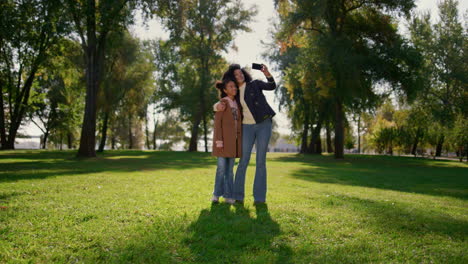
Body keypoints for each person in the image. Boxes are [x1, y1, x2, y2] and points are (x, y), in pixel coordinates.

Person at [214, 64, 276, 204]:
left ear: (244, 74)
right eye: (236, 75)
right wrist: (216, 106)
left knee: (261, 162)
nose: (239, 75)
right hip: (246, 128)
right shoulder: (234, 94)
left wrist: (267, 73)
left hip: (263, 125)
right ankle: (238, 196)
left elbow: (271, 86)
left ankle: (259, 198)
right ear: (233, 79)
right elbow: (223, 103)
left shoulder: (255, 84)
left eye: (240, 73)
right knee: (243, 161)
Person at [211, 78, 242, 204]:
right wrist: (219, 141)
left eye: (234, 86)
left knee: (230, 171)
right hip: (222, 142)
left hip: (233, 143)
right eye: (230, 86)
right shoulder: (223, 102)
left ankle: (229, 196)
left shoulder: (238, 104)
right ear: (224, 90)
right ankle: (216, 194)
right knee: (221, 169)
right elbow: (217, 123)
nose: (234, 88)